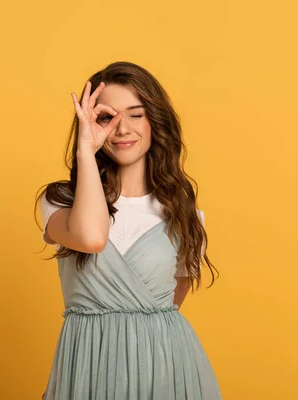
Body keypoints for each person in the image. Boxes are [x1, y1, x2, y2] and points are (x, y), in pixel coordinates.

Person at [35, 61, 222, 399]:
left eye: (136, 114)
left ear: (156, 122)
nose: (122, 129)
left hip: (168, 369)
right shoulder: (59, 201)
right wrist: (86, 150)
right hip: (86, 369)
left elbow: (165, 310)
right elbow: (91, 237)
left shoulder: (186, 217)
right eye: (107, 117)